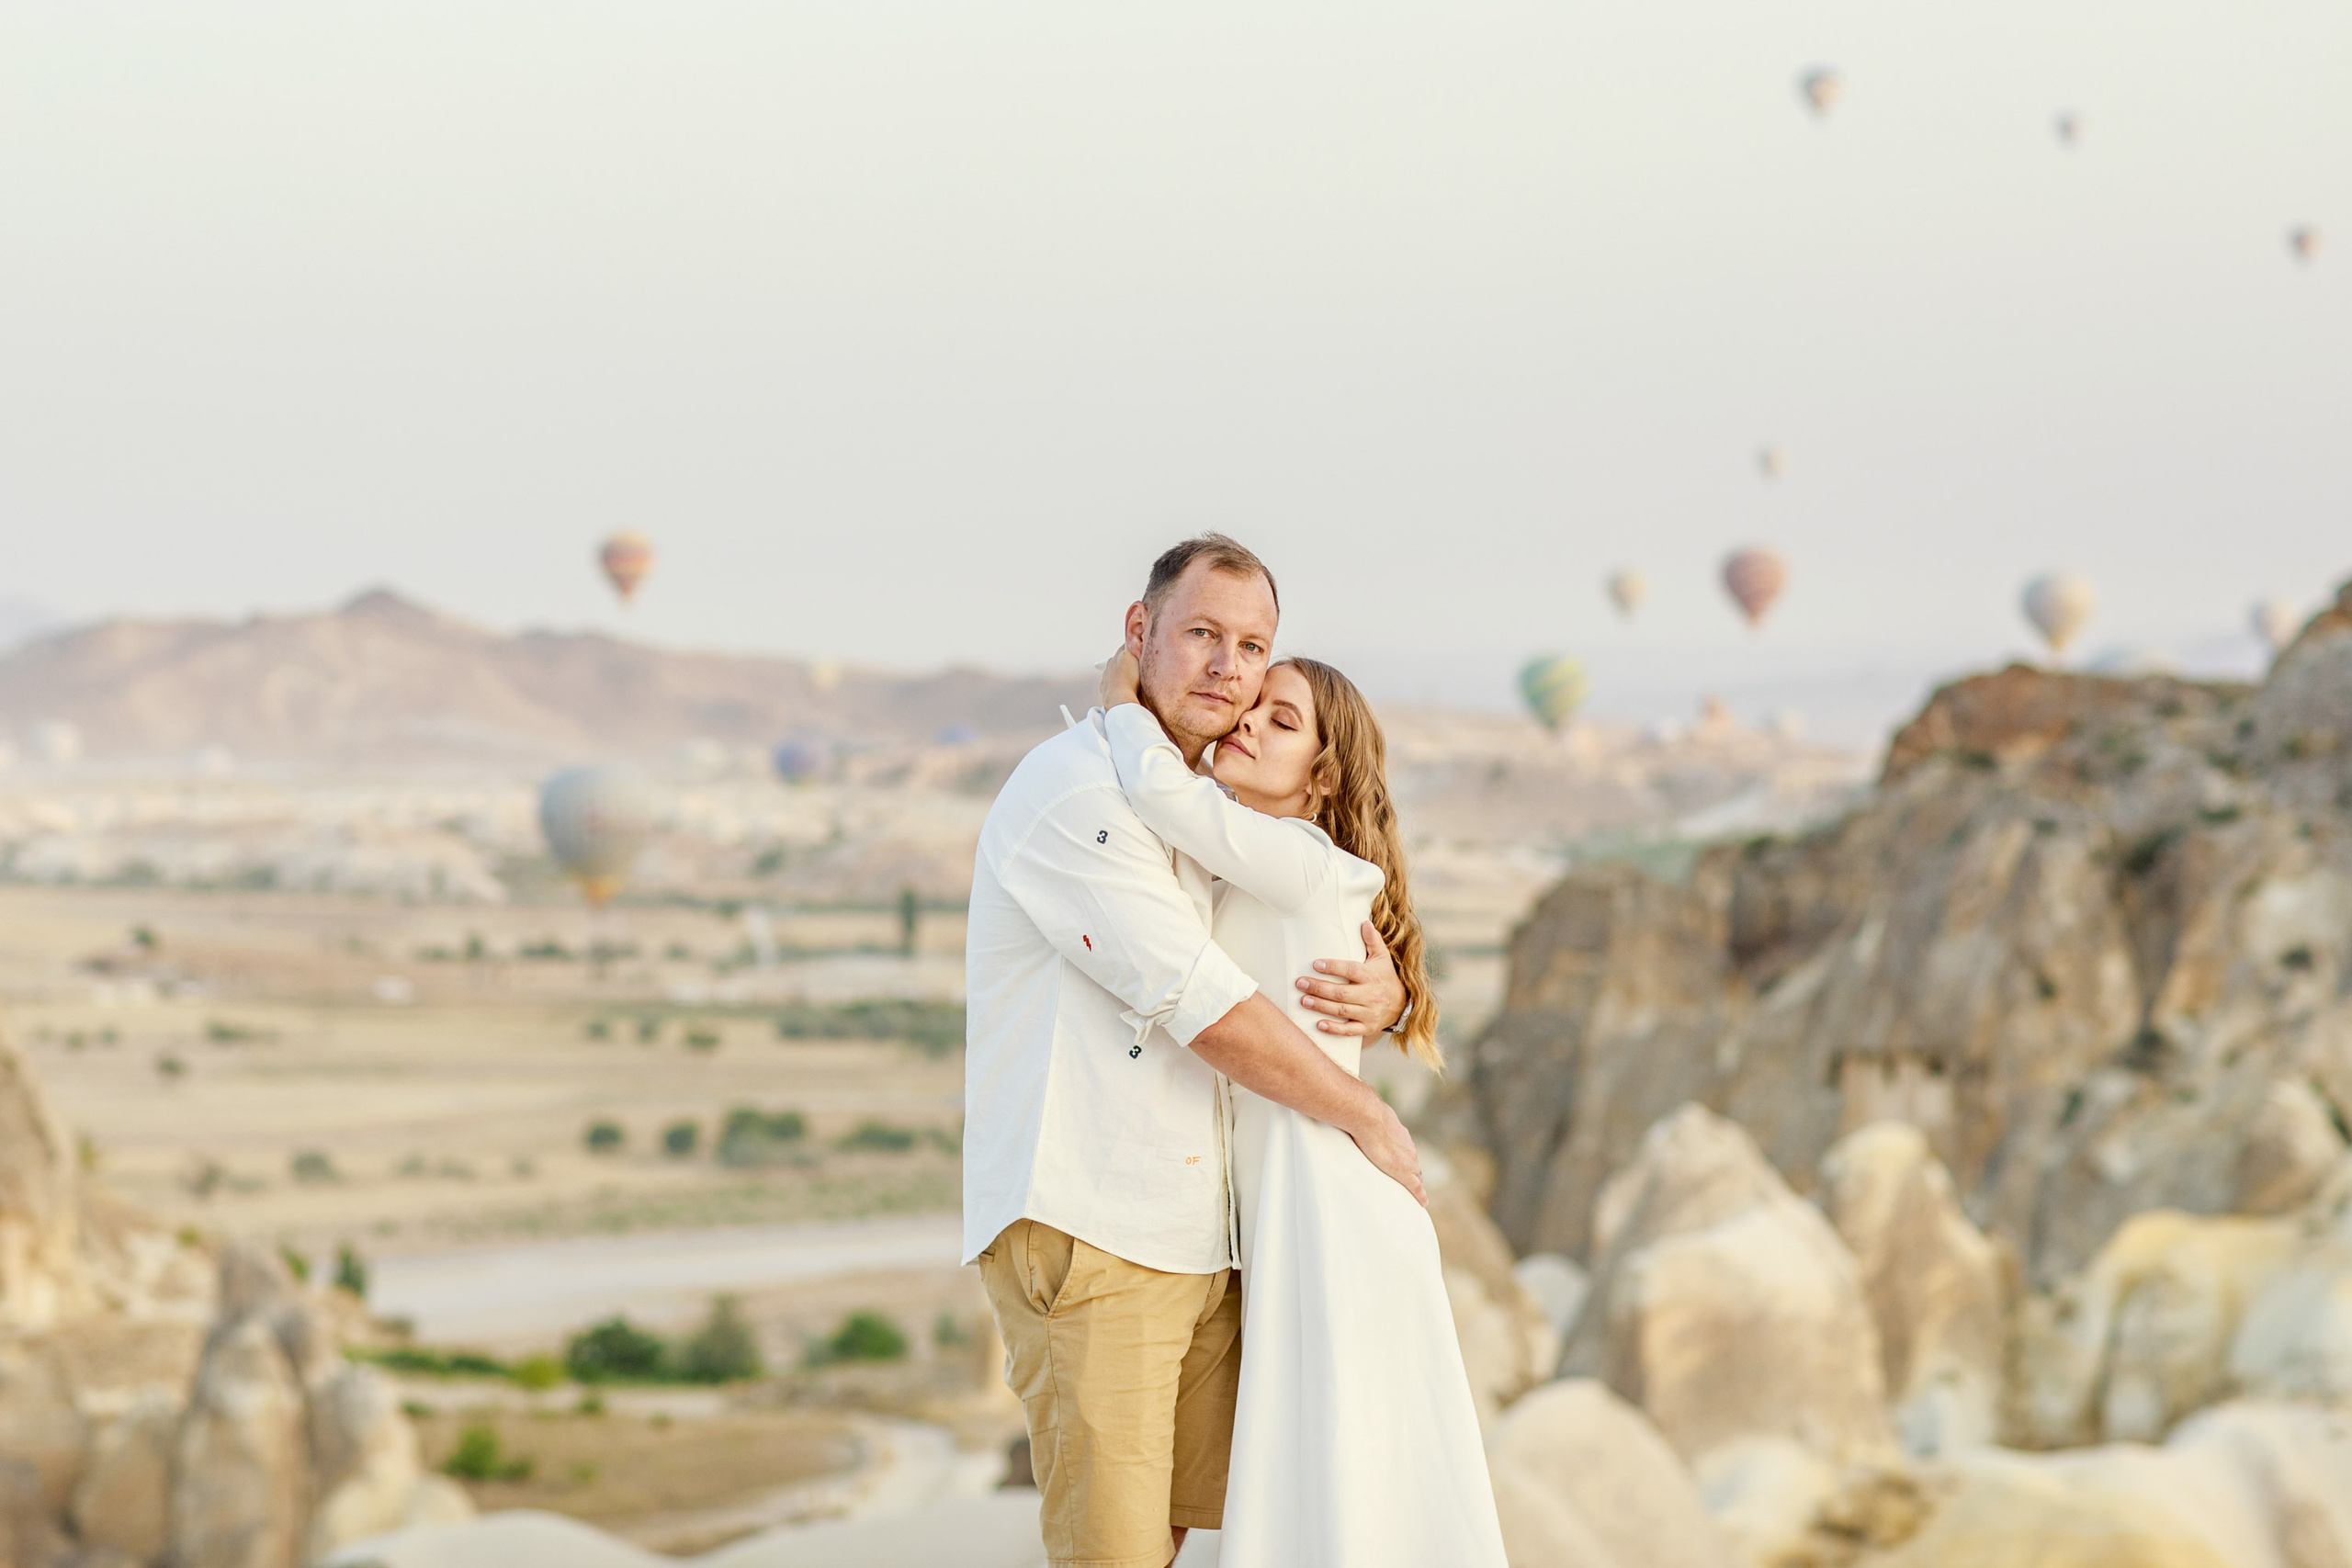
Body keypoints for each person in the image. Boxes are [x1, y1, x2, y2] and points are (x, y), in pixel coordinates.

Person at [964, 534, 1423, 1568]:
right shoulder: (1080, 791)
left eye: (1253, 647)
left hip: (1200, 1235)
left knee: (1188, 1535)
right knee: (1115, 1552)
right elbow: (1203, 1003)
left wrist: (1387, 997)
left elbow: (1318, 914)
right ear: (1140, 634)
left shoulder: (1209, 803)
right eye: (1203, 635)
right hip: (1093, 1225)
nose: (1229, 668)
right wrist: (1364, 1113)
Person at [1098, 647, 1509, 1567]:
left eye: (1280, 722)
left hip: (1328, 1208)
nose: (1245, 724)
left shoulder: (1300, 862)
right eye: (1251, 710)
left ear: (1320, 778)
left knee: (1338, 1475)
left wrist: (1122, 704)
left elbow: (1167, 797)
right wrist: (1396, 996)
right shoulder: (1262, 868)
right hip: (1292, 1200)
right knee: (1322, 1476)